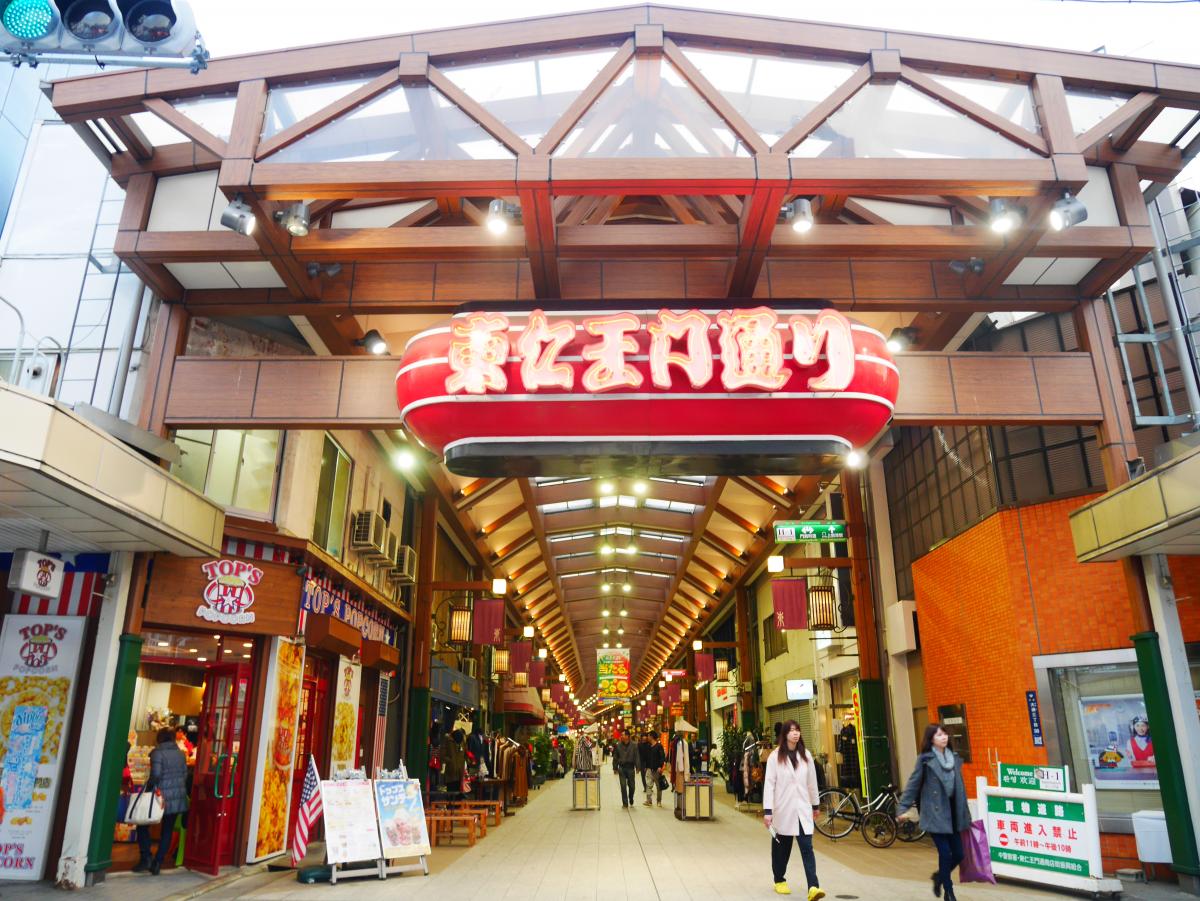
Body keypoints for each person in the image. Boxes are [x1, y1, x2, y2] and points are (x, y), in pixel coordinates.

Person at [897, 724, 972, 901]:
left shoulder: (954, 758)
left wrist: (966, 813)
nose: (943, 737)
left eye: (944, 734)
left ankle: (939, 877)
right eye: (939, 735)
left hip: (954, 813)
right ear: (931, 739)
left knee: (959, 854)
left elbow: (960, 788)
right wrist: (902, 808)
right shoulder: (925, 759)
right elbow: (913, 785)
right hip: (935, 814)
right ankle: (949, 891)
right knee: (945, 853)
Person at [762, 720, 824, 900]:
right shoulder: (775, 757)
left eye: (797, 730)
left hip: (802, 809)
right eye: (791, 731)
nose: (795, 733)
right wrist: (768, 811)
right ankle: (779, 879)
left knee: (807, 847)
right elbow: (769, 785)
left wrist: (815, 805)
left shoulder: (806, 755)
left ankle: (813, 886)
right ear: (784, 734)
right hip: (783, 810)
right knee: (782, 849)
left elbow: (812, 783)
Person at [135, 728, 188, 875]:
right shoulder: (181, 754)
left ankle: (146, 857)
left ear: (159, 738)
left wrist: (148, 789)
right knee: (167, 830)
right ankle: (158, 862)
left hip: (159, 797)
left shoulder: (157, 753)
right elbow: (184, 775)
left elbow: (156, 775)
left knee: (142, 825)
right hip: (176, 797)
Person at [614, 731, 640, 808]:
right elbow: (615, 757)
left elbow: (637, 756)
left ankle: (631, 797)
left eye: (623, 735)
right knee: (623, 786)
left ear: (627, 736)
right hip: (622, 768)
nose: (621, 736)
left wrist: (638, 767)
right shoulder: (618, 745)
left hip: (630, 768)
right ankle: (625, 803)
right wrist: (615, 767)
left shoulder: (634, 745)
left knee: (632, 786)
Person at [640, 731, 666, 807]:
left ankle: (659, 801)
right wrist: (645, 766)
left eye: (648, 736)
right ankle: (649, 800)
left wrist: (660, 766)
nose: (647, 737)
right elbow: (646, 757)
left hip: (657, 770)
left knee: (658, 786)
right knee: (648, 785)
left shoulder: (659, 746)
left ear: (651, 737)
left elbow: (662, 757)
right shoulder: (648, 746)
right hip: (649, 769)